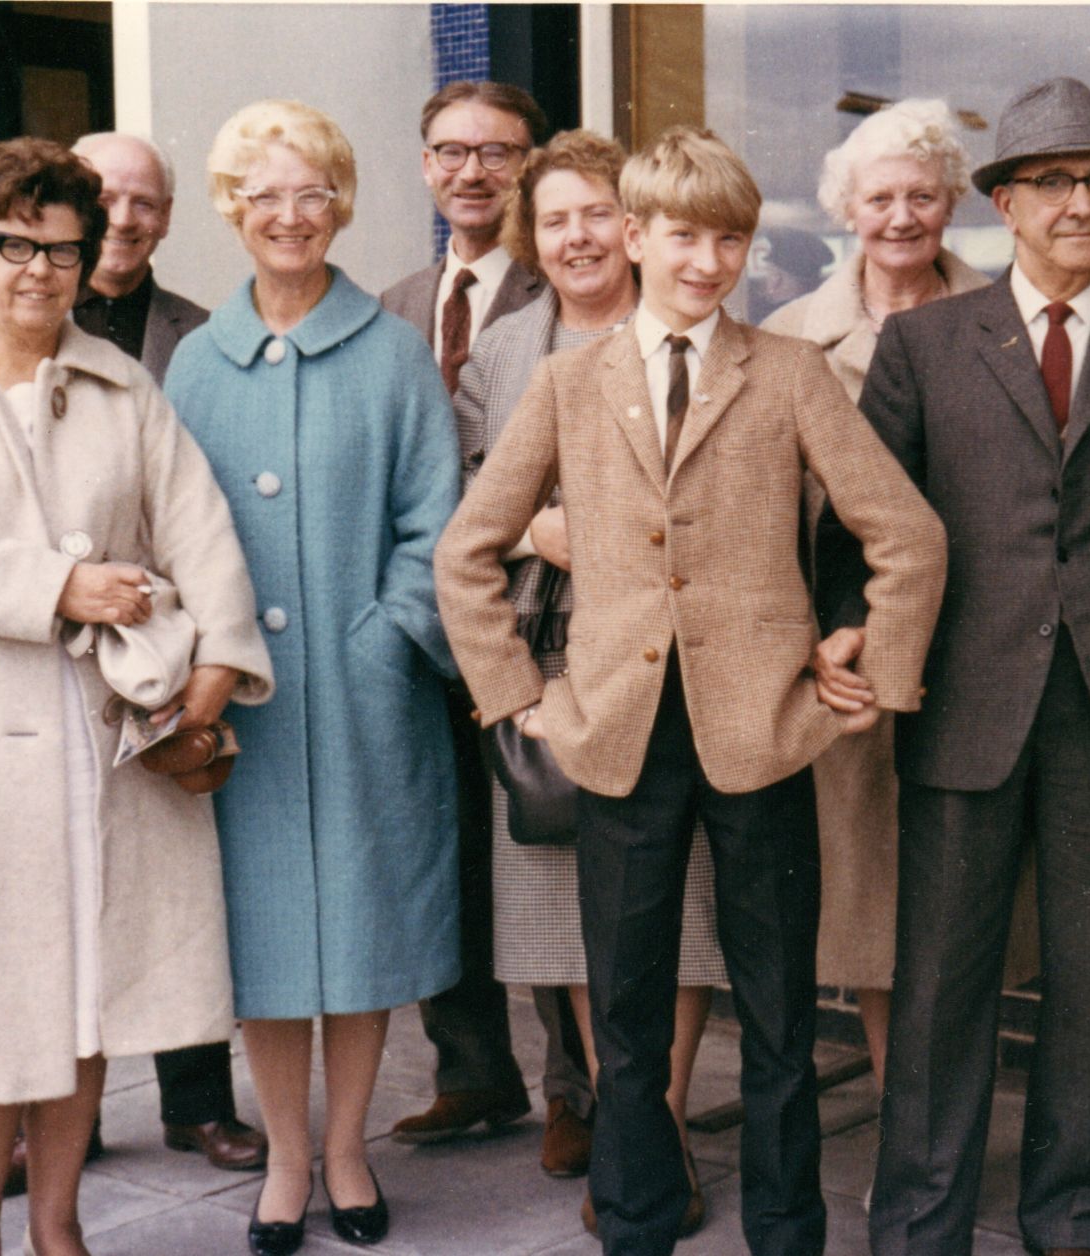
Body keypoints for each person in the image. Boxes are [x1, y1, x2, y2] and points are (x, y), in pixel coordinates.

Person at [436, 124, 945, 1256]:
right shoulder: (572, 384)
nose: (705, 262)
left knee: (776, 1015)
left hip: (763, 735)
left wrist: (869, 665)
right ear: (632, 237)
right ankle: (634, 1225)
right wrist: (519, 695)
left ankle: (785, 1230)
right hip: (614, 735)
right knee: (624, 1019)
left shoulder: (791, 373)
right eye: (680, 236)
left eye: (729, 240)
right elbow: (467, 549)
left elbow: (904, 532)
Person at [0, 136, 273, 1256]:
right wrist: (61, 584)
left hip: (93, 744)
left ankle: (62, 1226)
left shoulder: (124, 386)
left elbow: (199, 527)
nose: (40, 269)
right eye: (15, 245)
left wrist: (215, 675)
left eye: (64, 251)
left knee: (82, 992)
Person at [823, 78, 1090, 1256]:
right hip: (965, 700)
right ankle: (920, 1220)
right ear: (1001, 203)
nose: (1082, 202)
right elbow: (864, 522)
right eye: (1052, 181)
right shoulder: (926, 343)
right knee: (940, 983)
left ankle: (1072, 1215)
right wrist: (851, 636)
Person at [162, 99, 461, 1253]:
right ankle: (287, 1152)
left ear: (339, 203)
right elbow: (170, 527)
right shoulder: (194, 363)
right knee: (269, 936)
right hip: (246, 708)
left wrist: (384, 638)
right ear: (234, 210)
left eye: (312, 192)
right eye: (264, 195)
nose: (290, 215)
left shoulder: (390, 352)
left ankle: (350, 1148)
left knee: (368, 926)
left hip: (367, 689)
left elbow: (436, 523)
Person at [452, 128, 725, 1231]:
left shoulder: (691, 330)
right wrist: (542, 534)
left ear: (639, 223)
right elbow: (469, 502)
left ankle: (657, 1118)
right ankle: (626, 1129)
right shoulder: (501, 351)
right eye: (553, 218)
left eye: (596, 213)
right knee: (568, 909)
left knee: (685, 909)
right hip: (555, 659)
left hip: (679, 664)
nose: (577, 236)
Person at [0, 130, 267, 1193]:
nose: (124, 215)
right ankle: (66, 1122)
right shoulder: (10, 326)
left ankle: (199, 1102)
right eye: (104, 195)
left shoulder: (195, 335)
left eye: (145, 201)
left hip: (158, 645)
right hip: (45, 642)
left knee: (168, 891)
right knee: (54, 898)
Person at [760, 97, 990, 1097]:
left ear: (951, 206)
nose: (901, 216)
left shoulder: (1002, 316)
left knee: (963, 900)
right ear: (846, 209)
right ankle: (909, 1118)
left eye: (922, 197)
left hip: (976, 645)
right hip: (842, 653)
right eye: (880, 197)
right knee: (869, 898)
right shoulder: (786, 336)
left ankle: (934, 1119)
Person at [378, 80, 577, 1153]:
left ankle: (572, 1091)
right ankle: (473, 1067)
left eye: (498, 154)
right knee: (439, 845)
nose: (472, 173)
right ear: (424, 166)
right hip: (428, 627)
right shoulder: (393, 304)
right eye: (451, 152)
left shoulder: (568, 285)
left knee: (543, 841)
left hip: (536, 614)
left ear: (528, 166)